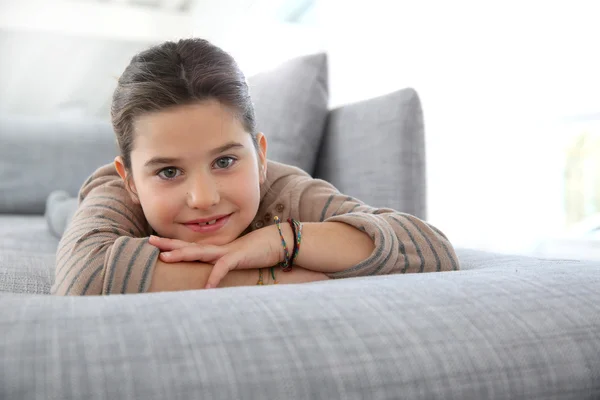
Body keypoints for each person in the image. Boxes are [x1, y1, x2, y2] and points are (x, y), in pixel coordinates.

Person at [51, 38, 459, 296]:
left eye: (225, 161)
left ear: (260, 158)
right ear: (132, 181)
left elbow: (431, 249)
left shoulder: (283, 190)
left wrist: (280, 241)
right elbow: (82, 276)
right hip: (82, 206)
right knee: (62, 213)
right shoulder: (118, 192)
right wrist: (262, 277)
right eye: (169, 172)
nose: (205, 198)